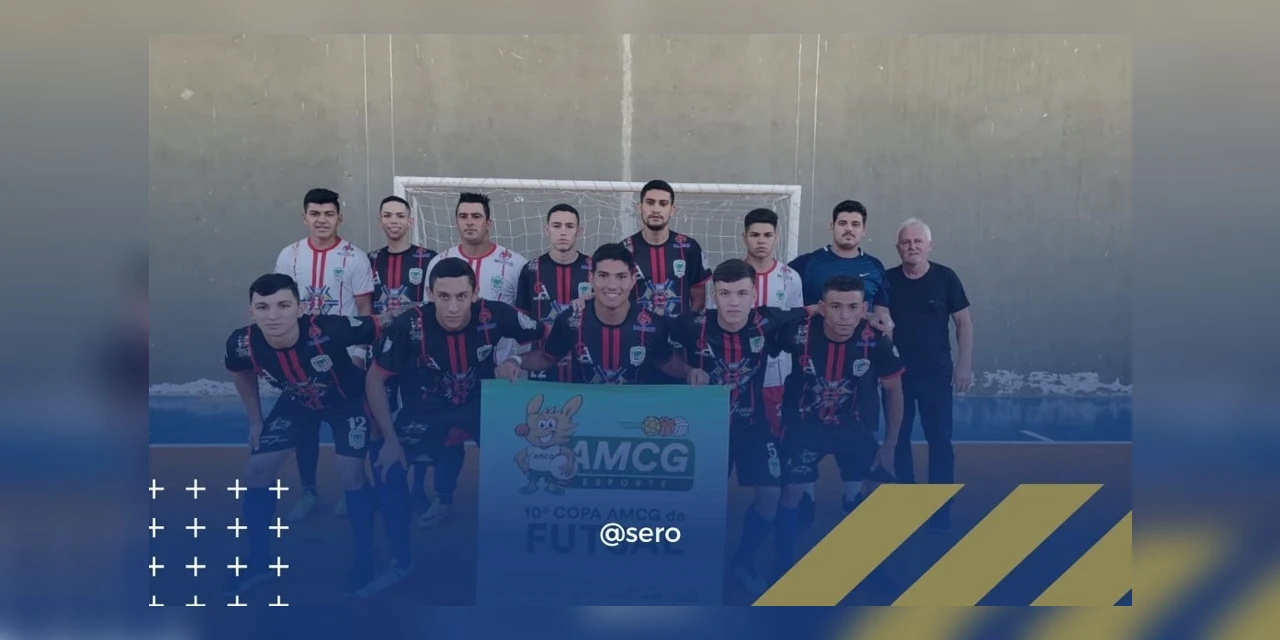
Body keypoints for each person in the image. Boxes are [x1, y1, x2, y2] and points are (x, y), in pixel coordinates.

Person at [363, 258, 546, 595]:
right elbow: (375, 380)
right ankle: (400, 562)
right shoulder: (408, 325)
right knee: (387, 470)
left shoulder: (495, 314)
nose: (452, 307)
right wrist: (390, 440)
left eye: (462, 296)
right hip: (425, 409)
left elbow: (550, 336)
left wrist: (517, 359)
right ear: (430, 294)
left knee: (530, 462)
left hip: (482, 403)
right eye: (443, 296)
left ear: (475, 294)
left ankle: (524, 550)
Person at [221, 274, 390, 597]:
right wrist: (255, 419)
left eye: (283, 306)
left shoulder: (329, 328)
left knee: (351, 472)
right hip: (297, 402)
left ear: (300, 308)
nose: (273, 315)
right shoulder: (241, 343)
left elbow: (384, 323)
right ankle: (258, 564)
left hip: (346, 402)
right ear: (251, 311)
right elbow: (240, 373)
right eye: (263, 307)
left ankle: (365, 560)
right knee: (257, 470)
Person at [676, 259, 818, 597]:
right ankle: (690, 565)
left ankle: (743, 562)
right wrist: (685, 370)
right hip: (707, 431)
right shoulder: (691, 325)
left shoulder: (766, 320)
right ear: (715, 295)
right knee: (700, 503)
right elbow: (653, 341)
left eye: (742, 293)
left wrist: (867, 316)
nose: (733, 302)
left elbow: (811, 310)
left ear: (754, 296)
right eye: (725, 293)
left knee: (770, 495)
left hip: (752, 426)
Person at [771, 275, 903, 581]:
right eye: (835, 307)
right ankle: (782, 565)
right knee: (790, 491)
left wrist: (890, 445)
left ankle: (879, 568)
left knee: (883, 489)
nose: (844, 316)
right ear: (822, 307)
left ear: (864, 309)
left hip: (852, 427)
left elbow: (894, 390)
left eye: (853, 307)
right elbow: (762, 337)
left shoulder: (875, 339)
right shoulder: (799, 333)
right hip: (804, 427)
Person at [422, 192, 528, 527]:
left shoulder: (515, 263)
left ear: (488, 222)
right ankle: (443, 500)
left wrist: (517, 360)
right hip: (450, 377)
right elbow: (429, 316)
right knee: (448, 441)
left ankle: (508, 507)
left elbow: (524, 321)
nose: (470, 222)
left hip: (500, 376)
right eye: (463, 216)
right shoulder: (440, 262)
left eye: (476, 216)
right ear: (456, 221)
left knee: (502, 443)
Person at [273, 187, 376, 522]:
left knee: (349, 426)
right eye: (315, 213)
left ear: (339, 218)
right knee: (305, 429)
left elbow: (364, 309)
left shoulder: (355, 257)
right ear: (304, 217)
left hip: (343, 360)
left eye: (329, 214)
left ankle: (351, 491)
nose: (322, 220)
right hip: (300, 359)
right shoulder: (289, 256)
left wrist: (359, 354)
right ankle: (308, 493)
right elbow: (280, 304)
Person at [787, 199, 893, 521]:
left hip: (859, 361)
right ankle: (805, 498)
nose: (849, 229)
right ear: (832, 226)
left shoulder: (875, 267)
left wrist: (876, 323)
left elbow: (882, 315)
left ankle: (852, 497)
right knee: (806, 432)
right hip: (814, 357)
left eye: (855, 224)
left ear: (864, 230)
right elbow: (788, 299)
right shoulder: (807, 264)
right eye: (843, 223)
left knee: (857, 428)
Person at [886, 218, 972, 533]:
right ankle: (907, 502)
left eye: (918, 241)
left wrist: (964, 365)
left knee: (940, 442)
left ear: (929, 246)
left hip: (936, 375)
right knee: (898, 439)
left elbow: (964, 323)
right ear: (898, 248)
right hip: (897, 378)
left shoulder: (946, 278)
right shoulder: (887, 281)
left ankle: (940, 508)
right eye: (906, 242)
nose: (912, 247)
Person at [518, 243, 695, 384]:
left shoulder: (653, 324)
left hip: (635, 413)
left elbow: (666, 361)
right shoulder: (570, 320)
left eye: (621, 277)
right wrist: (515, 361)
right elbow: (547, 357)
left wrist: (690, 372)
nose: (612, 285)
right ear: (591, 278)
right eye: (603, 276)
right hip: (585, 410)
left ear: (632, 280)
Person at [366, 195, 439, 514]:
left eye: (400, 215)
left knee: (417, 418)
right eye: (388, 215)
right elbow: (363, 306)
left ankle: (417, 488)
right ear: (380, 220)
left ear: (411, 221)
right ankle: (380, 486)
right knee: (375, 421)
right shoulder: (368, 260)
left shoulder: (429, 259)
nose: (393, 221)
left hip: (417, 355)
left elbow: (436, 304)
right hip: (381, 354)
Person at [707, 208, 805, 437]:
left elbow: (797, 324)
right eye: (755, 235)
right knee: (727, 439)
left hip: (775, 375)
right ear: (745, 237)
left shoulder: (790, 277)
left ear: (776, 237)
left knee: (773, 439)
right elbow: (711, 323)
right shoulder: (726, 277)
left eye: (767, 235)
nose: (761, 241)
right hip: (732, 375)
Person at [515, 203, 593, 382]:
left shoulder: (594, 269)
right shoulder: (531, 270)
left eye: (569, 226)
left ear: (579, 231)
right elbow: (521, 322)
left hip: (583, 369)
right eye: (557, 226)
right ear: (547, 230)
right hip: (542, 369)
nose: (563, 232)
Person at [622, 180, 710, 319]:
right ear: (640, 207)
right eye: (650, 203)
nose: (656, 209)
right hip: (638, 330)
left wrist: (687, 324)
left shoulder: (689, 247)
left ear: (672, 210)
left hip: (678, 330)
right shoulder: (624, 250)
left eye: (663, 204)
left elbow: (699, 296)